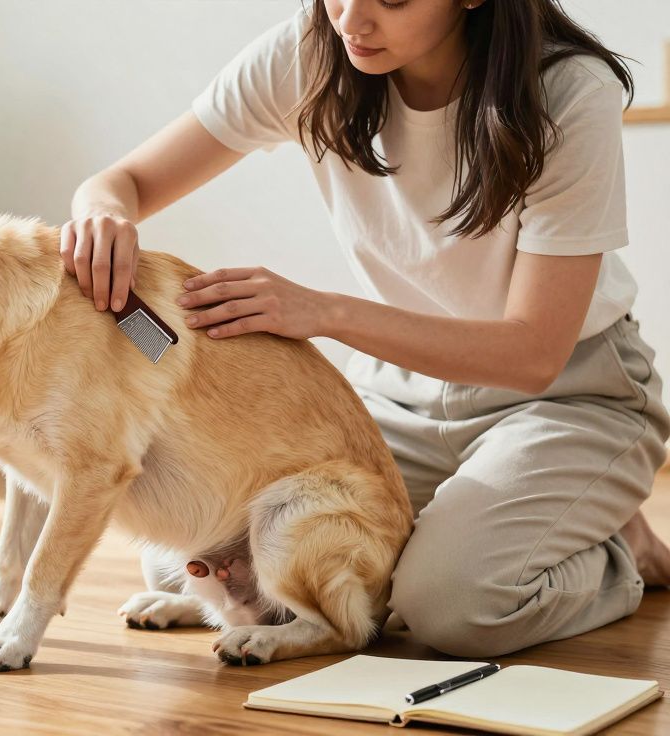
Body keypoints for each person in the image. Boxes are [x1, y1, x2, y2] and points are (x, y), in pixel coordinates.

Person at [62, 0, 670, 658]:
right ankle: (509, 527)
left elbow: (533, 353)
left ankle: (614, 553)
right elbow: (120, 182)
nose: (353, 21)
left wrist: (325, 312)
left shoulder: (568, 91)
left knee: (450, 606)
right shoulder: (309, 54)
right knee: (205, 552)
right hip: (398, 394)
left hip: (565, 394)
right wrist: (104, 217)